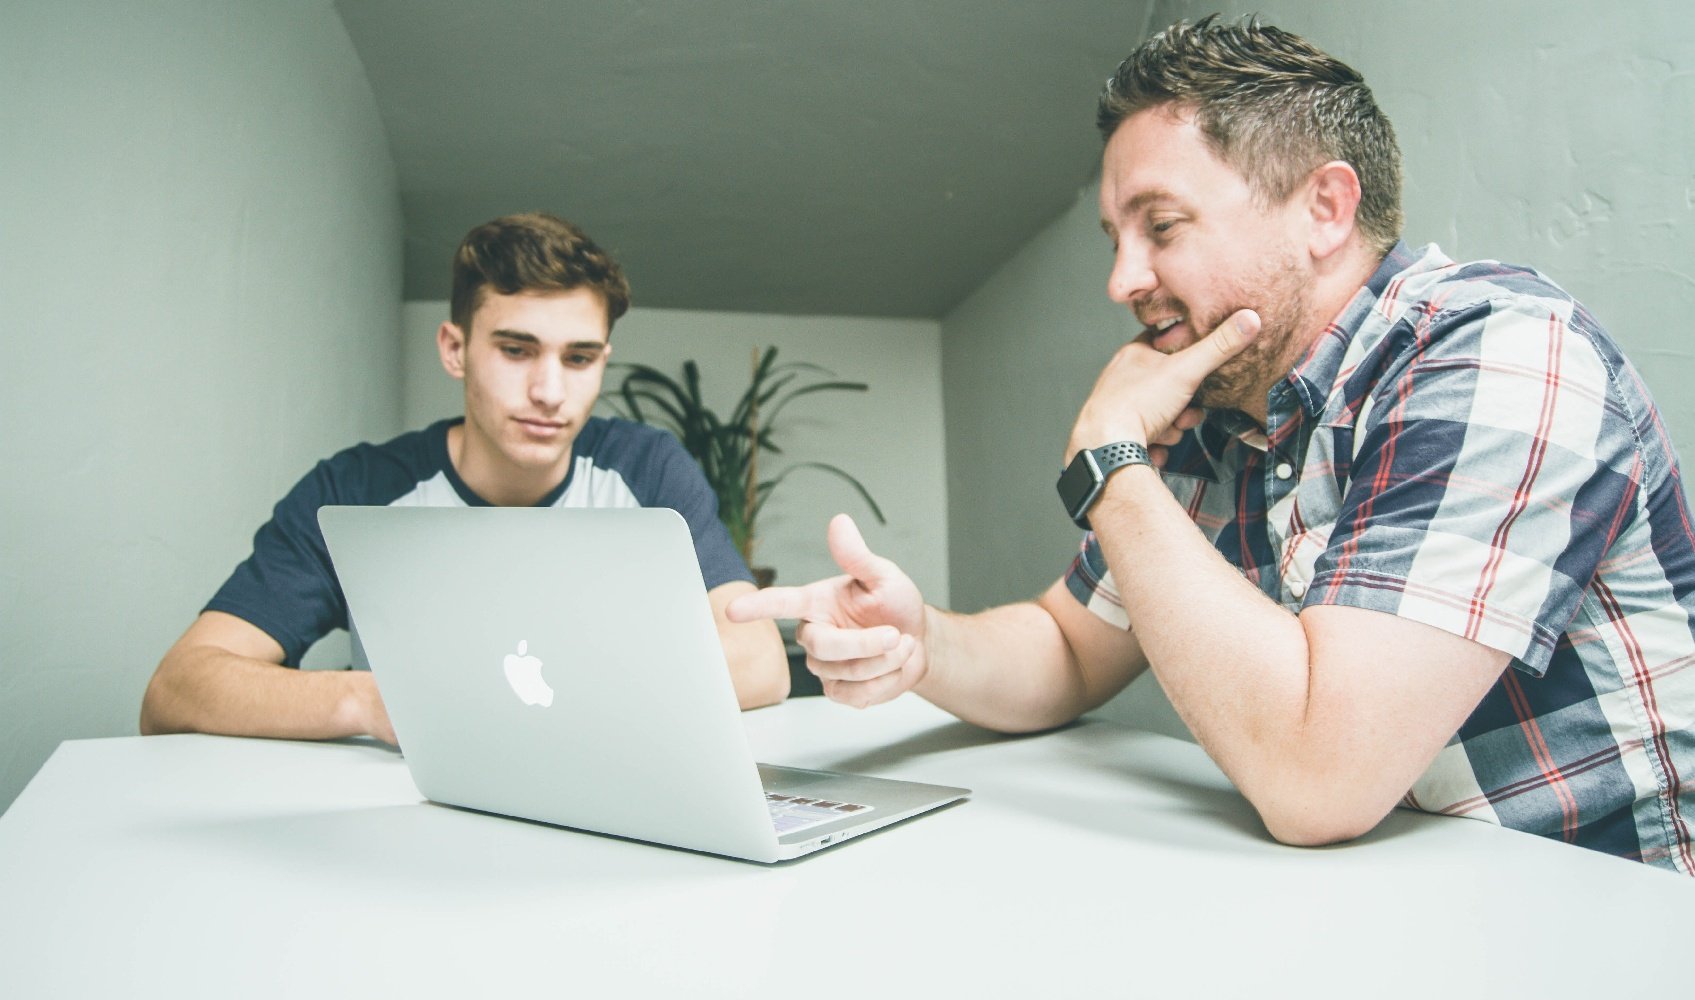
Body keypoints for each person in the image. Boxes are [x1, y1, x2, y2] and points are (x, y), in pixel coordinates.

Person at [730, 16, 1695, 873]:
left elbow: (1320, 780)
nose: (1122, 278)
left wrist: (1110, 457)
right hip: (1389, 901)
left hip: (1606, 915)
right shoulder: (1225, 405)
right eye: (1116, 236)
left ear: (1324, 208)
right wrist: (922, 641)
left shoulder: (1497, 353)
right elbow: (1070, 646)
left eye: (1161, 227)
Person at [143, 212, 789, 743]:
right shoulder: (357, 489)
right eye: (515, 350)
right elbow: (178, 687)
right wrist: (372, 702)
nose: (549, 391)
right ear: (455, 349)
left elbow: (760, 663)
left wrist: (531, 692)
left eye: (579, 358)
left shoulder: (645, 469)